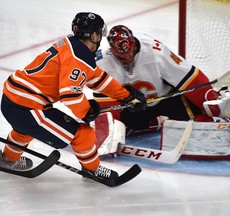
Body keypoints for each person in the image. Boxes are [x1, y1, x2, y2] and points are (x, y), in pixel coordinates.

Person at [0, 13, 146, 180]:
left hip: (11, 100)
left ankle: (8, 159)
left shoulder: (71, 44)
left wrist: (126, 95)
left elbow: (97, 78)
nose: (100, 38)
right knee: (83, 134)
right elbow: (70, 95)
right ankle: (92, 170)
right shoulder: (79, 56)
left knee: (23, 130)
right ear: (93, 35)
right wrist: (87, 111)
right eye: (99, 33)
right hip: (29, 108)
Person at [94, 25, 230, 132]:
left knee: (198, 116)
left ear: (134, 45)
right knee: (126, 124)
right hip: (134, 106)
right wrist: (110, 127)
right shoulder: (103, 62)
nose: (126, 59)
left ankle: (220, 102)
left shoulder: (155, 52)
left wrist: (207, 97)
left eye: (128, 53)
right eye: (121, 56)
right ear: (112, 51)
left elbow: (188, 77)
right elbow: (106, 103)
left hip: (166, 98)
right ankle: (155, 122)